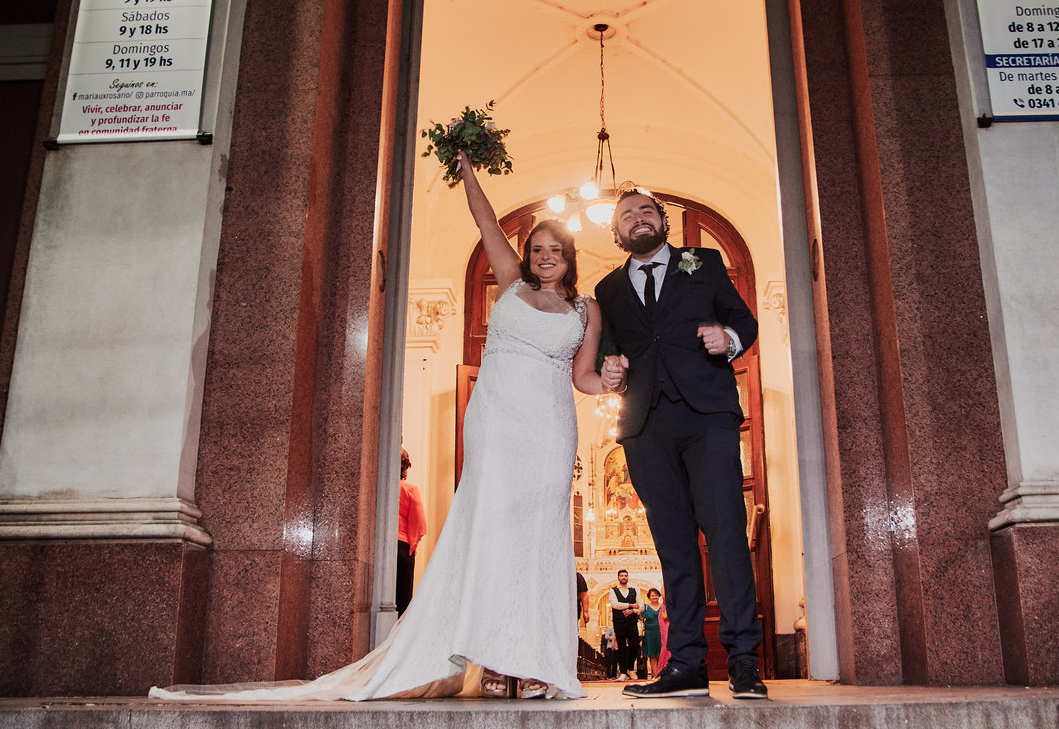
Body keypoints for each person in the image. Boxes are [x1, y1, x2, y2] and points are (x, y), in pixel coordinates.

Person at [151, 150, 625, 702]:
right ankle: (494, 662)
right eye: (538, 249)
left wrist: (612, 380)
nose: (546, 257)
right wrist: (467, 168)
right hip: (498, 423)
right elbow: (486, 221)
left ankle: (540, 662)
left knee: (541, 542)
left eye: (556, 251)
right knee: (491, 537)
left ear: (570, 257)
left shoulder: (585, 312)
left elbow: (585, 378)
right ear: (528, 253)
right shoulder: (510, 281)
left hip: (549, 431)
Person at [594, 187, 768, 699]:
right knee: (673, 546)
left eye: (647, 211)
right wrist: (610, 367)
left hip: (707, 417)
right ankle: (687, 662)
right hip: (645, 426)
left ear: (662, 221)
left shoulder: (704, 263)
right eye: (627, 215)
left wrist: (728, 339)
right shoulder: (607, 290)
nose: (638, 219)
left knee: (727, 537)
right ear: (617, 232)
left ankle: (742, 662)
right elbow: (609, 352)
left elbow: (745, 322)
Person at [396, 447, 427, 615]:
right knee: (403, 600)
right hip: (403, 548)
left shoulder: (382, 489)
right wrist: (413, 545)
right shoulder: (410, 490)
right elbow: (419, 525)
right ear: (403, 468)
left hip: (383, 549)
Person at [609, 569, 642, 680]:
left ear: (628, 577)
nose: (624, 577)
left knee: (634, 645)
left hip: (632, 621)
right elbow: (615, 604)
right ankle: (623, 672)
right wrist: (631, 605)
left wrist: (632, 611)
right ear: (618, 578)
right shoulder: (613, 591)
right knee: (621, 647)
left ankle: (630, 668)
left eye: (625, 575)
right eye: (621, 575)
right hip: (619, 622)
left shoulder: (634, 590)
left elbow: (641, 606)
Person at [640, 588, 665, 678]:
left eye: (656, 595)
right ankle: (655, 674)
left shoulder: (663, 606)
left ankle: (662, 673)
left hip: (661, 632)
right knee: (652, 654)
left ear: (659, 596)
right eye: (652, 595)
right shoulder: (645, 607)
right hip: (649, 633)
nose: (654, 597)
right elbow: (640, 618)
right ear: (649, 597)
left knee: (661, 653)